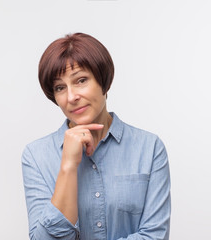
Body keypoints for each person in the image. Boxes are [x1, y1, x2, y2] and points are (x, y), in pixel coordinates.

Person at [21, 33, 171, 240]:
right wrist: (68, 166)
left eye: (81, 80)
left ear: (104, 81)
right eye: (60, 88)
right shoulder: (36, 156)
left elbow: (155, 236)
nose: (71, 97)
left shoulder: (149, 147)